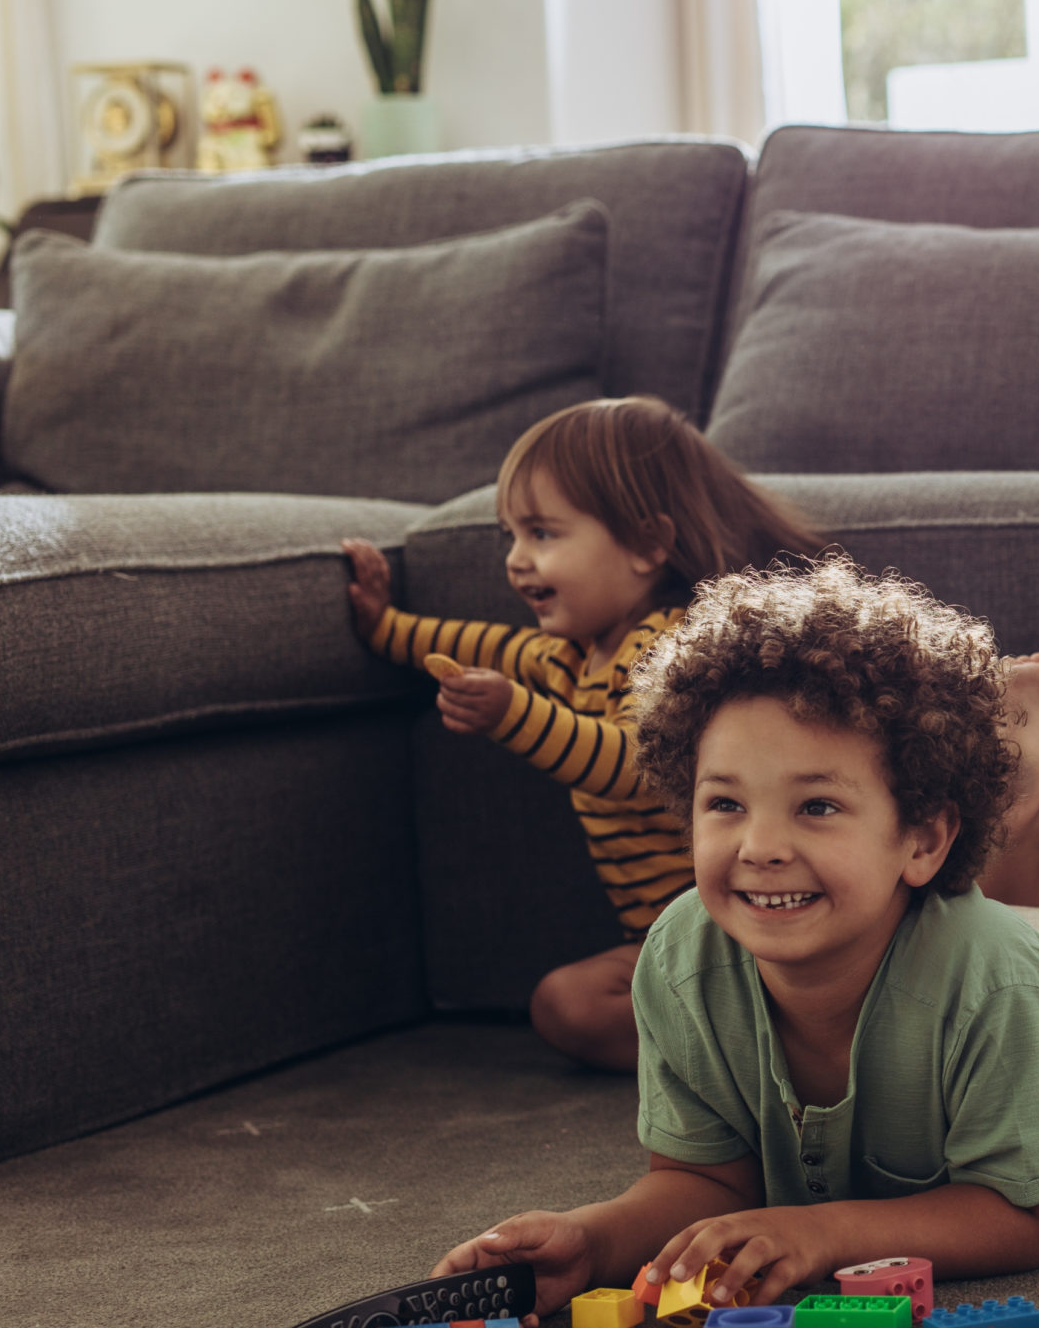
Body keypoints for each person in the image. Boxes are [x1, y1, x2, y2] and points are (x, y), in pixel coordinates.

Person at [428, 561, 1039, 1309]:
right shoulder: (684, 957)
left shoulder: (996, 980)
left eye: (817, 806)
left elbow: (1030, 1215)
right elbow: (700, 1181)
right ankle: (1013, 807)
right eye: (725, 803)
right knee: (983, 931)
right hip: (971, 938)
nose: (759, 847)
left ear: (922, 837)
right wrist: (594, 1239)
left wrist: (824, 1233)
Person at [343, 397, 830, 1070]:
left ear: (647, 545)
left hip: (753, 927)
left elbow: (636, 764)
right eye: (511, 535)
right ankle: (747, 1059)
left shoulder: (678, 649)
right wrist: (384, 627)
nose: (516, 561)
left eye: (542, 534)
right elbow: (472, 643)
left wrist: (512, 715)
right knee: (566, 1005)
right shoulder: (569, 655)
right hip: (672, 945)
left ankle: (782, 1044)